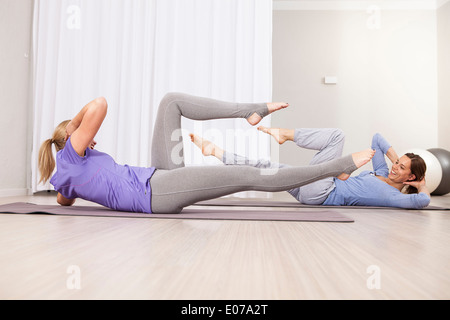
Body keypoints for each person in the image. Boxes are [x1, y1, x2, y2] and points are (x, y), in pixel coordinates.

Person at [38, 93, 375, 214]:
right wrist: (75, 125)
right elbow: (99, 104)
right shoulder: (71, 154)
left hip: (156, 175)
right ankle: (338, 166)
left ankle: (250, 110)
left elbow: (64, 200)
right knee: (251, 176)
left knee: (171, 102)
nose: (92, 140)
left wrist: (67, 189)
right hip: (157, 194)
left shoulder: (65, 175)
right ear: (72, 138)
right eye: (82, 135)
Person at [190, 126, 430, 209]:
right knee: (267, 166)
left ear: (412, 176)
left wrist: (421, 184)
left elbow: (422, 202)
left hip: (322, 193)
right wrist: (400, 160)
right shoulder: (381, 172)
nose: (394, 168)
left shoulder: (392, 196)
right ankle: (216, 152)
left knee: (337, 136)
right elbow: (377, 138)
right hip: (313, 187)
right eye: (396, 164)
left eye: (401, 168)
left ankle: (287, 135)